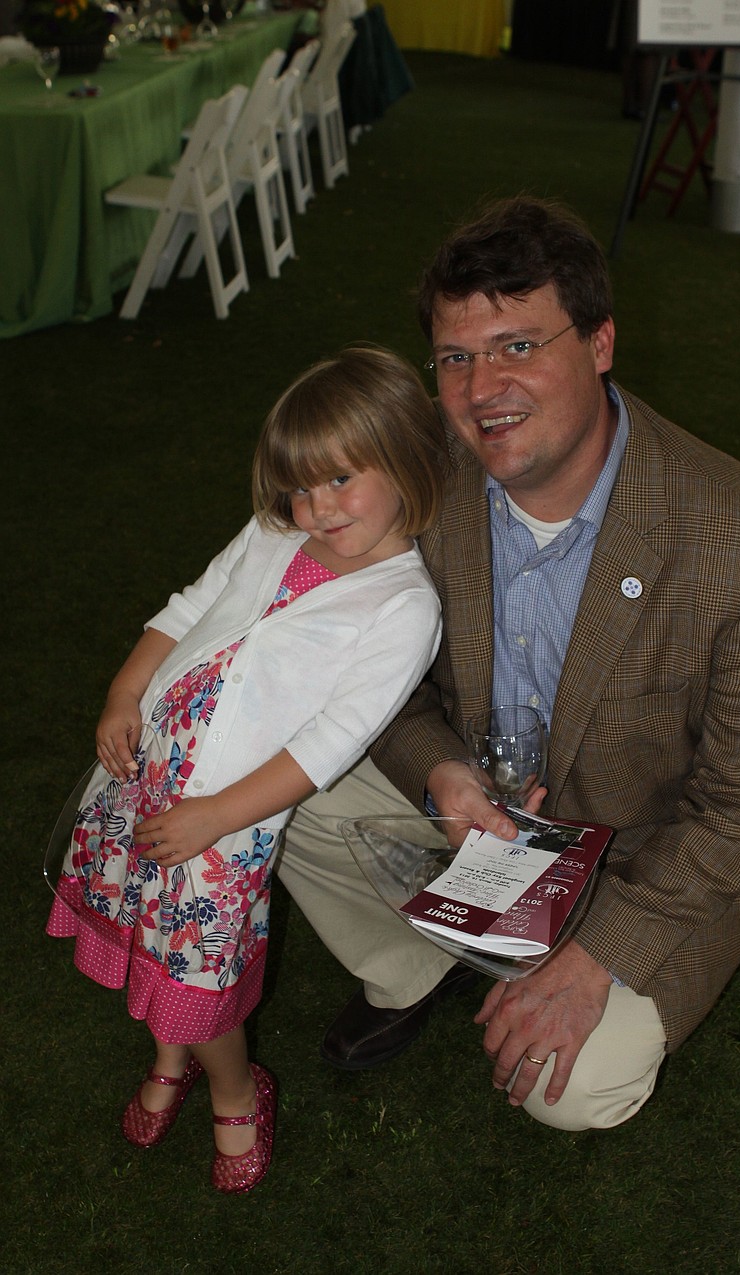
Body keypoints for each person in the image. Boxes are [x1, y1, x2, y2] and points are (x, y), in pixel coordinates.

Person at [279, 197, 740, 1131]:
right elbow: (382, 686)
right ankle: (417, 963)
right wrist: (442, 772)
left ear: (601, 343)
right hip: (475, 822)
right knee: (270, 768)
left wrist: (595, 957)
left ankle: (538, 953)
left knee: (571, 1090)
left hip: (645, 857)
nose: (483, 387)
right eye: (457, 357)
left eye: (519, 346)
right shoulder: (421, 487)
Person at [46, 345, 446, 1191]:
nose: (315, 508)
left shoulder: (405, 608)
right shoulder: (275, 530)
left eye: (341, 480)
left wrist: (219, 814)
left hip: (222, 827)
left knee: (194, 973)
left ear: (407, 455)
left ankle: (234, 1088)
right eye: (300, 486)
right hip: (147, 774)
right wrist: (126, 690)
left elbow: (329, 744)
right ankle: (168, 1057)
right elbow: (191, 604)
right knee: (144, 933)